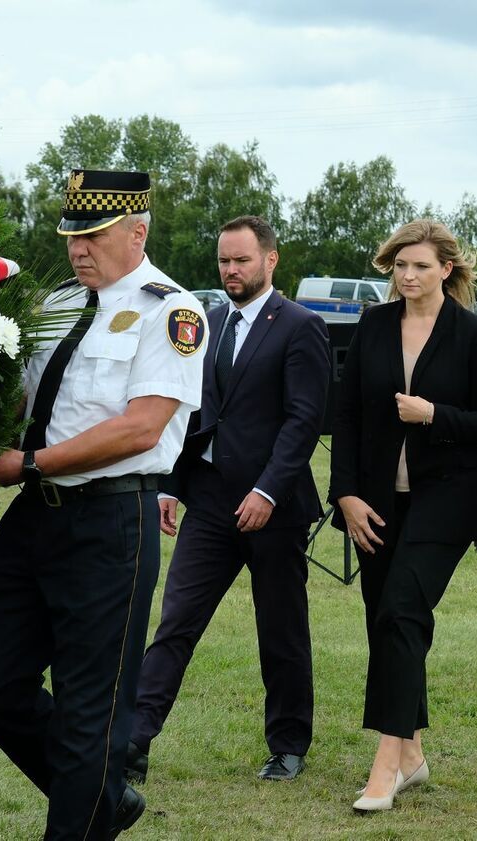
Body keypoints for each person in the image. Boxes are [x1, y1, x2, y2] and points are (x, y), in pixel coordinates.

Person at [0, 169, 205, 839]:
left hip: (110, 522)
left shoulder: (172, 311)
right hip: (34, 516)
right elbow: (21, 400)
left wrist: (31, 462)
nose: (78, 249)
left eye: (94, 236)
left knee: (88, 714)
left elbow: (142, 426)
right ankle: (106, 797)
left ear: (138, 231)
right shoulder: (56, 303)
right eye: (71, 234)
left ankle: (84, 806)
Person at [128, 216, 329, 784]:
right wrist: (172, 485)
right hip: (210, 501)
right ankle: (135, 740)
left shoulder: (301, 326)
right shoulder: (205, 322)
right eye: (224, 261)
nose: (231, 270)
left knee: (281, 629)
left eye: (242, 260)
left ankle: (288, 745)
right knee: (176, 622)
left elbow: (303, 420)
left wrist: (268, 489)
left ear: (271, 260)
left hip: (275, 506)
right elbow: (192, 410)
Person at [328, 219, 477, 812]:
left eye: (420, 266)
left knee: (403, 609)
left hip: (449, 497)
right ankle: (412, 752)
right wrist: (346, 494)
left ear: (446, 270)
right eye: (400, 267)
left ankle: (386, 766)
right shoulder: (374, 324)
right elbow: (348, 415)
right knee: (385, 617)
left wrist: (434, 414)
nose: (407, 277)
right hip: (375, 498)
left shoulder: (474, 335)